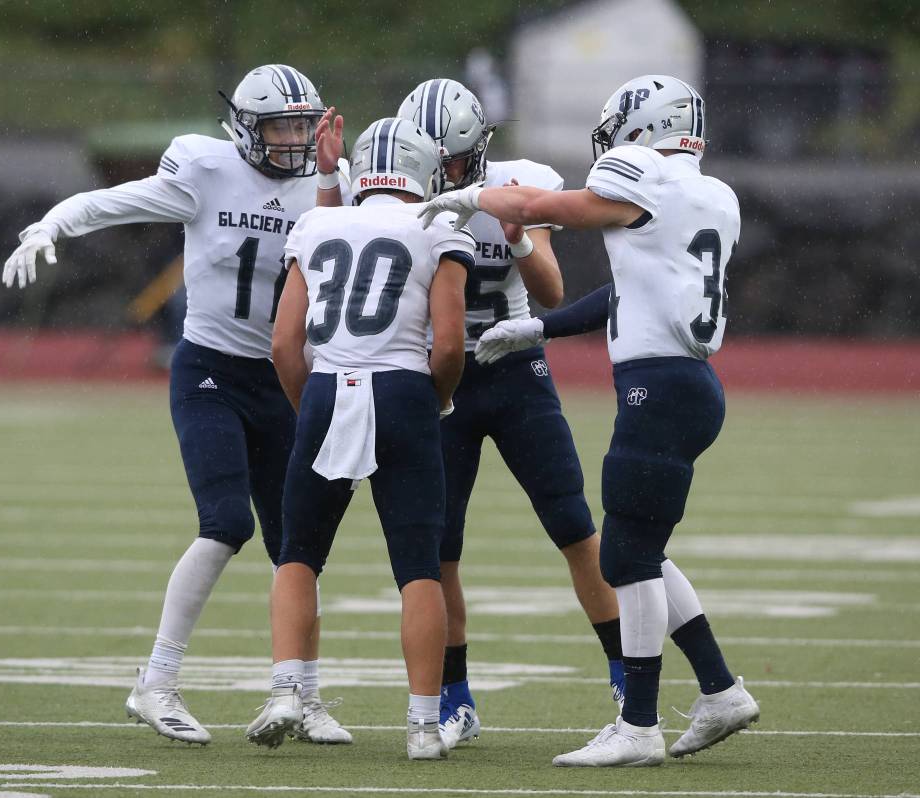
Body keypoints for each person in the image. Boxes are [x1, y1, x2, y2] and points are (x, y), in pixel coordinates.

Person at [2, 64, 353, 746]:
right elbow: (116, 202)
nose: (292, 139)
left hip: (285, 376)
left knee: (299, 546)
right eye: (279, 127)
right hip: (211, 371)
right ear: (244, 129)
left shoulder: (328, 182)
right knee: (226, 522)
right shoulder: (205, 169)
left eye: (300, 126)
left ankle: (302, 695)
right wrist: (51, 224)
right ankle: (156, 682)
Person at [418, 74, 760, 767]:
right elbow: (631, 287)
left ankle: (638, 725)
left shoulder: (641, 174)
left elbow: (543, 206)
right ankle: (721, 690)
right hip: (692, 386)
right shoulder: (712, 194)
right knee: (642, 550)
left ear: (645, 128)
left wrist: (470, 198)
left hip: (657, 388)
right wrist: (538, 329)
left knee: (625, 557)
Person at [397, 78, 624, 749]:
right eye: (432, 161)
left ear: (479, 151)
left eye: (454, 162)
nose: (443, 174)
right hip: (440, 375)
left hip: (516, 370)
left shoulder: (518, 183)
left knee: (573, 525)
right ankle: (455, 698)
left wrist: (520, 240)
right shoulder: (393, 191)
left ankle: (628, 679)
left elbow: (552, 292)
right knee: (440, 547)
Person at [245, 117, 474, 760]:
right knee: (418, 567)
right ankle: (423, 726)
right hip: (402, 389)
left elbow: (283, 344)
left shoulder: (316, 225)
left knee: (298, 553)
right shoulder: (438, 227)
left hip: (329, 386)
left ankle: (287, 690)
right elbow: (449, 345)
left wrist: (309, 407)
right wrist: (437, 399)